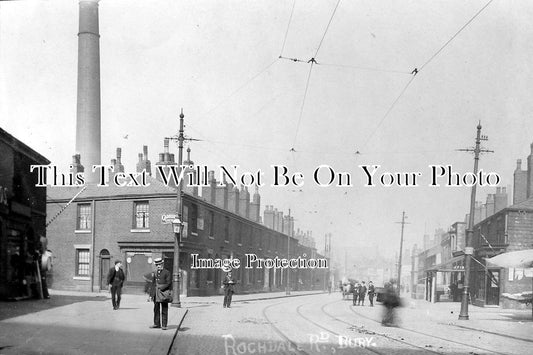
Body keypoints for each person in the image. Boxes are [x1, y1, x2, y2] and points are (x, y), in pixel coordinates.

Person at [149, 258, 171, 330]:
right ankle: (156, 324)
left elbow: (168, 283)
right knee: (156, 308)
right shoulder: (155, 273)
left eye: (160, 264)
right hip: (156, 293)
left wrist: (161, 288)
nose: (159, 266)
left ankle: (164, 325)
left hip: (163, 293)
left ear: (162, 264)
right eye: (157, 265)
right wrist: (151, 294)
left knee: (164, 308)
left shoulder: (167, 272)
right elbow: (152, 284)